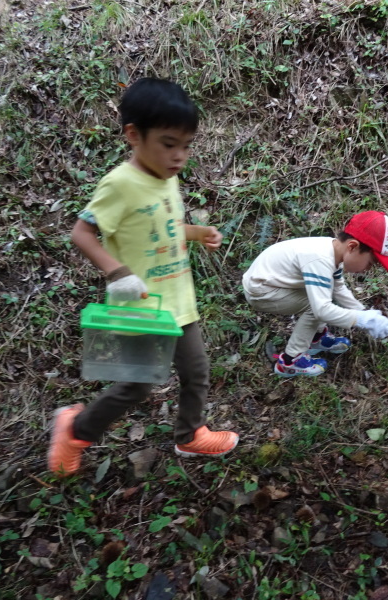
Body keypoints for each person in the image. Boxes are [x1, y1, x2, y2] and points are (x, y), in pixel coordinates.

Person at [48, 78, 238, 477]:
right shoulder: (120, 184)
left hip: (178, 301)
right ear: (134, 135)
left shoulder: (167, 177)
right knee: (136, 387)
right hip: (138, 306)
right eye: (169, 144)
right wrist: (117, 272)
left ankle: (188, 435)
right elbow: (81, 233)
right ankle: (75, 429)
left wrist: (197, 233)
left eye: (186, 146)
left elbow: (163, 227)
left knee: (196, 371)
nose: (179, 156)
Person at [242, 210, 388, 377]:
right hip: (261, 291)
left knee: (323, 294)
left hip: (275, 283)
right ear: (352, 246)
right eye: (371, 262)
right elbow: (321, 310)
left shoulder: (333, 250)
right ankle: (290, 361)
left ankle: (316, 338)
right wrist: (361, 320)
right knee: (316, 305)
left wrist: (365, 314)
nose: (369, 268)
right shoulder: (319, 259)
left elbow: (338, 288)